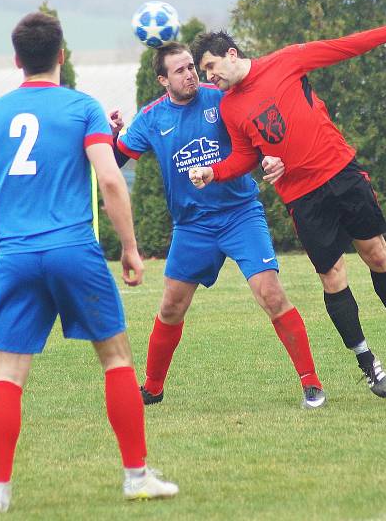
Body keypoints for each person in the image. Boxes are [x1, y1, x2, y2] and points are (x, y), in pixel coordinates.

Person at [0, 12, 178, 514]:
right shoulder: (83, 107)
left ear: (17, 60)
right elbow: (109, 181)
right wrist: (130, 247)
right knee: (117, 359)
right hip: (73, 250)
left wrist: (19, 217)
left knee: (8, 373)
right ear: (62, 56)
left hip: (16, 254)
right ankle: (135, 477)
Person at [189, 16, 386, 398]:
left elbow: (344, 45)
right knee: (332, 278)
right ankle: (368, 363)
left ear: (231, 54)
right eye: (204, 73)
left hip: (342, 174)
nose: (208, 78)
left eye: (210, 68)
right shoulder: (230, 109)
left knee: (377, 255)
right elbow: (245, 158)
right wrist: (213, 173)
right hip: (302, 198)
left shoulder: (286, 61)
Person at [112, 42, 326, 410]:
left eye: (191, 67)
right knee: (171, 307)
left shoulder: (220, 98)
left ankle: (311, 383)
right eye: (179, 71)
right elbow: (116, 160)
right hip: (192, 227)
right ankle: (152, 387)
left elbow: (261, 135)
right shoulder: (151, 118)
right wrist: (113, 133)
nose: (190, 74)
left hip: (240, 213)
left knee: (271, 294)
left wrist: (273, 158)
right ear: (163, 79)